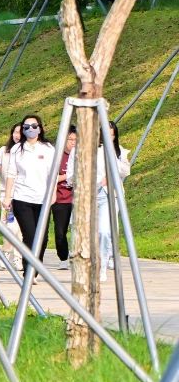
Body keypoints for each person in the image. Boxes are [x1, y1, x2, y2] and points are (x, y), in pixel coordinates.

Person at [68, 120, 132, 282]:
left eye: (111, 135)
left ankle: (101, 267)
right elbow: (70, 177)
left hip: (108, 196)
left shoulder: (118, 151)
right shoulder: (78, 150)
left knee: (104, 231)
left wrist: (113, 156)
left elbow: (125, 171)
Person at [2, 114, 55, 272]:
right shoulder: (17, 149)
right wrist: (7, 196)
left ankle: (36, 267)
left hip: (43, 198)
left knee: (42, 238)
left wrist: (53, 193)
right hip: (22, 198)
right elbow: (12, 174)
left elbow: (52, 173)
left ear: (40, 128)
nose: (30, 129)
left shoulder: (48, 148)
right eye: (26, 127)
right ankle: (28, 269)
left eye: (34, 126)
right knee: (30, 236)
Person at [51, 126, 78, 269]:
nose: (73, 142)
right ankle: (63, 257)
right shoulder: (56, 156)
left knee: (78, 229)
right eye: (70, 139)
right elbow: (52, 178)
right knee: (60, 231)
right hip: (60, 199)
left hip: (77, 199)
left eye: (75, 139)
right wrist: (68, 176)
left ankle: (77, 255)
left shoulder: (80, 155)